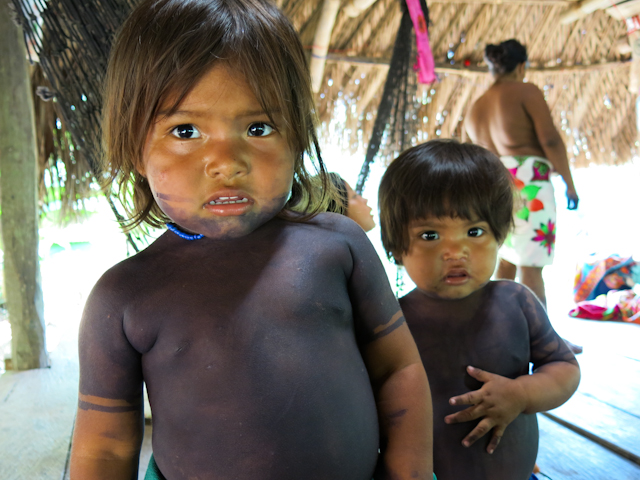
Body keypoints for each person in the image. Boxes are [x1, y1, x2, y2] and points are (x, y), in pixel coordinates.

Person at [69, 1, 433, 479]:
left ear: (297, 136)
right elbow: (105, 450)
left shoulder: (338, 246)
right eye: (186, 130)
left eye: (258, 128)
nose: (227, 162)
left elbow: (399, 371)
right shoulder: (123, 297)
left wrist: (409, 472)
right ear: (135, 145)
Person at [378, 139, 580, 480]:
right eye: (430, 235)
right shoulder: (392, 323)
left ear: (499, 236)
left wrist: (521, 394)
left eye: (474, 231)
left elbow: (564, 367)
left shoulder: (517, 303)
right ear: (396, 247)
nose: (456, 251)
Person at [463, 39, 579, 312]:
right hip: (529, 183)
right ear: (522, 66)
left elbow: (469, 158)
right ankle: (544, 343)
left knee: (504, 260)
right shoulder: (527, 91)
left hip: (492, 185)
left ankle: (496, 332)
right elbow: (550, 140)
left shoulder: (475, 108)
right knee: (531, 265)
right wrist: (569, 184)